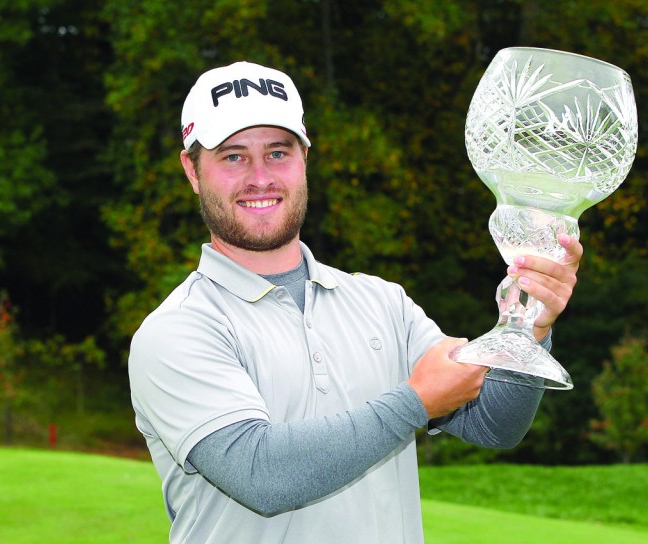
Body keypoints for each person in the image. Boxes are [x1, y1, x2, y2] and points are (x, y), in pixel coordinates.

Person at [128, 61, 583, 544]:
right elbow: (260, 473)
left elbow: (493, 425)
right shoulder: (177, 329)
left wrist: (529, 327)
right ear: (192, 170)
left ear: (304, 158)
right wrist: (415, 402)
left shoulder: (382, 303)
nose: (260, 177)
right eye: (233, 157)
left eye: (278, 152)